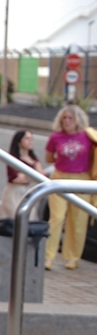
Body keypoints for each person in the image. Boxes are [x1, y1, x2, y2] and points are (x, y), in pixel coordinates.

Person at [43, 104, 96, 270]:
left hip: (82, 179)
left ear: (78, 119)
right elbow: (49, 158)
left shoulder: (88, 136)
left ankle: (73, 257)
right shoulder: (55, 137)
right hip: (60, 178)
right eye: (64, 118)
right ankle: (48, 257)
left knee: (78, 220)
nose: (67, 121)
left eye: (70, 118)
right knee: (57, 218)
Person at [0, 130, 45, 220]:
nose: (30, 141)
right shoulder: (13, 158)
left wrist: (27, 176)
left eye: (31, 139)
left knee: (29, 219)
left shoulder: (33, 158)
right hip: (14, 192)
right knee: (14, 219)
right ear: (19, 141)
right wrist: (32, 176)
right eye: (27, 138)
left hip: (28, 191)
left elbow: (41, 176)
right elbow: (16, 178)